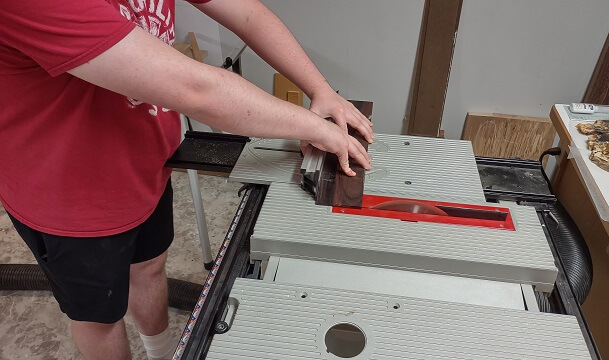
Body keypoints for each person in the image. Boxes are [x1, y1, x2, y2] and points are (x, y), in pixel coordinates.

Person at [0, 1, 373, 359]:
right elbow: (198, 91)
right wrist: (312, 127)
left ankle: (161, 354)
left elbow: (245, 12)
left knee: (149, 268)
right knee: (100, 318)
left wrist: (321, 90)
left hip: (143, 161)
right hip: (66, 197)